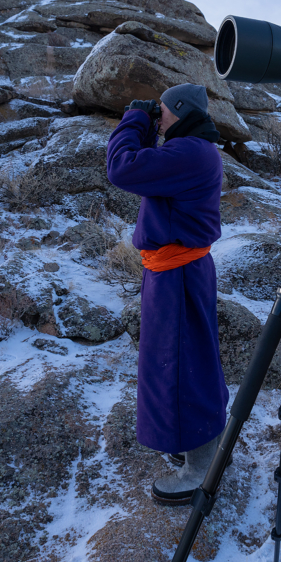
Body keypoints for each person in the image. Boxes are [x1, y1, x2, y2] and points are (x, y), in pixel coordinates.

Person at [106, 82, 228, 505]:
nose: (158, 119)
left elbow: (121, 168)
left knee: (181, 365)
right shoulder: (188, 151)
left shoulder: (190, 151)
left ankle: (201, 467)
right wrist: (145, 123)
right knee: (178, 361)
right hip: (175, 271)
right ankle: (195, 439)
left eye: (161, 112)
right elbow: (138, 165)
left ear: (179, 111)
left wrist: (135, 119)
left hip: (177, 274)